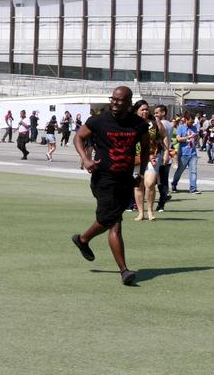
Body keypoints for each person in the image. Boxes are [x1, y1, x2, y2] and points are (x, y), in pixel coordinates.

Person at [70, 86, 150, 286]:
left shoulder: (139, 124)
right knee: (114, 223)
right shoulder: (98, 120)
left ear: (129, 103)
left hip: (125, 179)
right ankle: (124, 271)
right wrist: (86, 160)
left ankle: (83, 239)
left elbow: (147, 148)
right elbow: (78, 137)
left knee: (109, 219)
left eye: (120, 100)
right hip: (103, 178)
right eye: (113, 99)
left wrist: (141, 173)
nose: (115, 103)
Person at [132, 100, 163, 221]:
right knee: (138, 185)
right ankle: (141, 213)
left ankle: (150, 211)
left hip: (151, 156)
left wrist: (166, 153)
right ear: (136, 111)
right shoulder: (131, 123)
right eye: (142, 109)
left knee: (150, 183)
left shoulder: (154, 123)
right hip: (136, 157)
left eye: (146, 109)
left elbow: (163, 137)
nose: (145, 111)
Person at [171, 112, 200, 194]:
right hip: (184, 153)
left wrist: (196, 140)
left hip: (193, 153)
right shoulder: (181, 128)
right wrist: (187, 138)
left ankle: (193, 188)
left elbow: (197, 137)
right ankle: (174, 184)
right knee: (180, 170)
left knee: (193, 171)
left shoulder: (194, 128)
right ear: (186, 120)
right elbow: (178, 139)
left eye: (193, 122)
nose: (192, 123)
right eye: (190, 121)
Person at [154, 105, 173, 212]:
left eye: (157, 113)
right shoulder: (170, 124)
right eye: (155, 113)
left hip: (160, 155)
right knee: (163, 181)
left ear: (163, 113)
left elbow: (159, 138)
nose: (155, 115)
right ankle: (161, 204)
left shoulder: (163, 124)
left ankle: (161, 202)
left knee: (157, 181)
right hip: (166, 156)